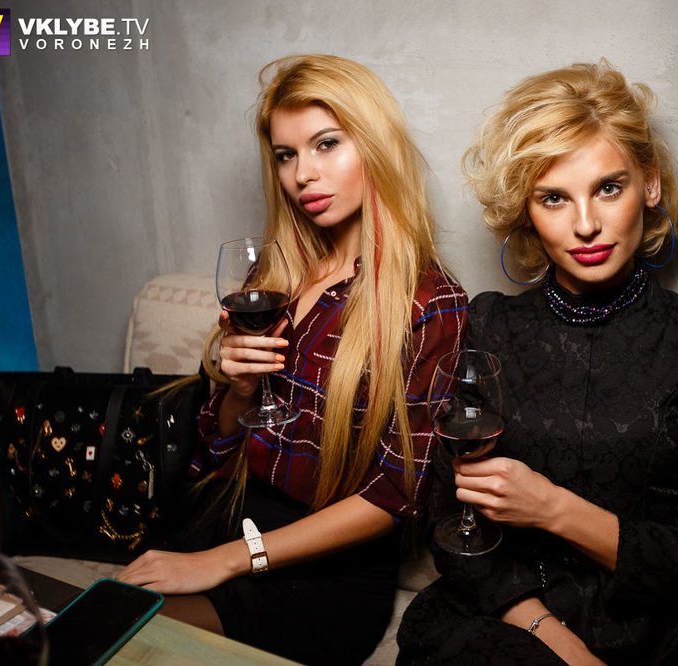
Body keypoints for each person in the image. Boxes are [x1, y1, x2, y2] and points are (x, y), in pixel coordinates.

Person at [397, 61, 678, 665]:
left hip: (649, 636)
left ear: (650, 185)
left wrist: (553, 509)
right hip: (503, 618)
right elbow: (452, 525)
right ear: (526, 210)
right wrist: (555, 639)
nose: (586, 225)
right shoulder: (490, 325)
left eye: (609, 188)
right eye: (554, 198)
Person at [118, 54, 467, 665]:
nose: (303, 173)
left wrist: (229, 560)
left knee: (126, 638)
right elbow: (215, 452)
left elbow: (396, 495)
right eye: (286, 155)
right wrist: (238, 390)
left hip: (321, 574)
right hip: (222, 520)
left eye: (326, 144)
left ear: (375, 147)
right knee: (88, 627)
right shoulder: (275, 277)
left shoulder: (428, 303)